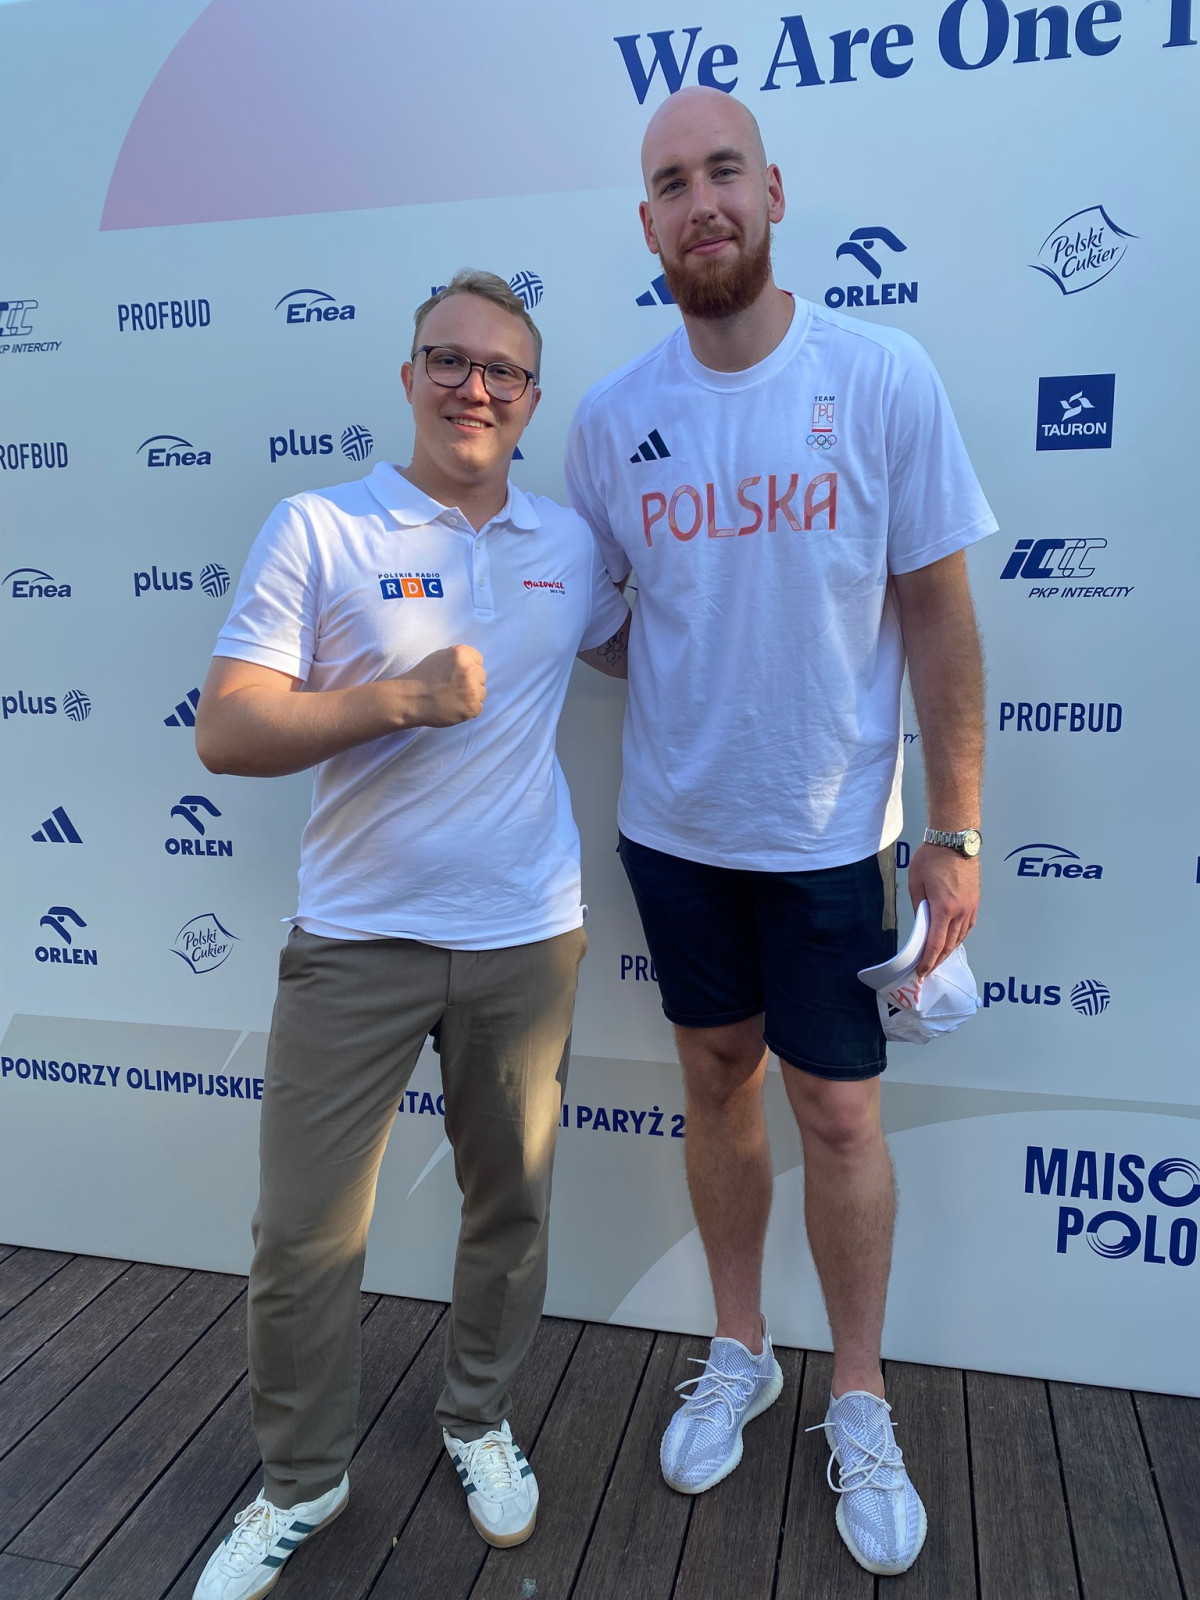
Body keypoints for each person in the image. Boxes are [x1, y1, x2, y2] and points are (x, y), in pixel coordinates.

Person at [565, 88, 994, 1577]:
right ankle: (739, 1349)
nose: (703, 202)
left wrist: (957, 827)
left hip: (832, 840)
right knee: (716, 1082)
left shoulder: (881, 375)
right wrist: (692, 669)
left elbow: (939, 614)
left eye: (724, 171)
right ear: (647, 225)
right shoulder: (611, 420)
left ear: (773, 192)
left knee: (842, 1116)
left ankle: (858, 1396)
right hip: (676, 833)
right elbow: (595, 617)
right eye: (672, 183)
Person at [190, 270, 629, 1599]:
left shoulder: (571, 546)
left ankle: (478, 1420)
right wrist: (396, 699)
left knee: (512, 1207)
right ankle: (301, 1481)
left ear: (532, 399)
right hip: (356, 939)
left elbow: (652, 642)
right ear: (408, 376)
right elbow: (227, 728)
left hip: (525, 938)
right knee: (303, 1235)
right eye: (449, 360)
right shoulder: (320, 526)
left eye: (503, 371)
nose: (474, 387)